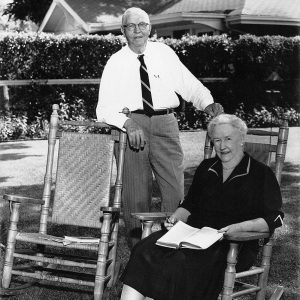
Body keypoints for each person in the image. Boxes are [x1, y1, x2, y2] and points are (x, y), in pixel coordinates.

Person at [120, 114, 284, 300]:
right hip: (193, 236)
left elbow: (273, 218)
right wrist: (176, 217)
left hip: (233, 244)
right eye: (217, 140)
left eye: (228, 139)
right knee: (145, 248)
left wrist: (238, 228)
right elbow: (189, 205)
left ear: (241, 139)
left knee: (181, 262)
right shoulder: (207, 167)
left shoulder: (260, 173)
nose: (222, 146)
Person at [96, 7, 223, 246]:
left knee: (175, 192)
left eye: (142, 24)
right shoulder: (115, 62)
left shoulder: (164, 53)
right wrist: (127, 123)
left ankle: (172, 249)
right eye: (131, 26)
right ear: (123, 31)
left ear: (150, 27)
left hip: (165, 124)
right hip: (131, 128)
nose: (138, 30)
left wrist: (208, 103)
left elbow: (189, 84)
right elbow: (103, 109)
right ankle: (139, 256)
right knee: (135, 197)